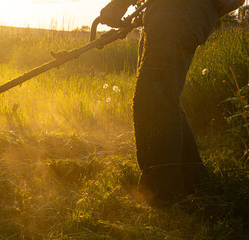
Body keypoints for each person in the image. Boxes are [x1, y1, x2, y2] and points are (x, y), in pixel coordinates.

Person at [99, 0, 245, 206]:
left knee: (154, 100)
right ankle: (192, 178)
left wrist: (120, 4)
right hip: (175, 16)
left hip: (177, 15)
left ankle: (160, 193)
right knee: (163, 99)